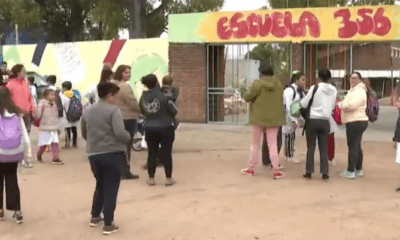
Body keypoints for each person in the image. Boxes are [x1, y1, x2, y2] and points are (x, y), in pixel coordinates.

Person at [81, 82, 130, 235]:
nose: (116, 99)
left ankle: (95, 216)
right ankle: (108, 223)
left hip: (94, 154)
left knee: (100, 184)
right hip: (112, 153)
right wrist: (128, 137)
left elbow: (84, 132)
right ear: (110, 96)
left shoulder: (88, 110)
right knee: (111, 187)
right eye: (115, 96)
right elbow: (120, 133)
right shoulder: (113, 111)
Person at [240, 63, 285, 179]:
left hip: (258, 118)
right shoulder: (279, 85)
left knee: (255, 144)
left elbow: (247, 97)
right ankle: (276, 170)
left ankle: (250, 169)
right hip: (274, 118)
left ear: (261, 73)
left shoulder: (257, 84)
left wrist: (243, 88)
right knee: (273, 144)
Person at [0, 87, 31, 224]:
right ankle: (17, 212)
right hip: (14, 151)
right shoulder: (17, 112)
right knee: (12, 179)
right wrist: (27, 154)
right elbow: (24, 135)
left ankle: (0, 210)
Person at [140, 74, 178, 186]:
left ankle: (151, 178)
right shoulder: (163, 96)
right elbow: (174, 111)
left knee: (151, 153)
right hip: (165, 127)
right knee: (166, 153)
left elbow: (142, 111)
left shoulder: (143, 97)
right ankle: (168, 178)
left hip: (150, 127)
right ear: (156, 82)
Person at [301, 69, 337, 180]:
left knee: (311, 147)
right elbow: (332, 106)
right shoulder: (334, 89)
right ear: (329, 77)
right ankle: (324, 172)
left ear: (319, 76)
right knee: (324, 147)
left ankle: (309, 171)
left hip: (313, 119)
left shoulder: (315, 88)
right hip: (325, 120)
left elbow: (304, 103)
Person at [111, 65, 140, 180]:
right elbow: (132, 102)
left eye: (129, 72)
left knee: (117, 146)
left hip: (115, 117)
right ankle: (125, 170)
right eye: (126, 73)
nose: (128, 74)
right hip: (127, 118)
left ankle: (117, 170)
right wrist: (141, 110)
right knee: (127, 146)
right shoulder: (124, 87)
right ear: (120, 73)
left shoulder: (112, 85)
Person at [338, 72, 369, 179]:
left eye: (355, 78)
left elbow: (350, 105)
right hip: (354, 121)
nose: (353, 80)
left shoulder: (359, 91)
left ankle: (350, 170)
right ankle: (358, 168)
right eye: (351, 78)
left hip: (356, 121)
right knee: (356, 145)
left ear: (360, 79)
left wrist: (341, 104)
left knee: (353, 146)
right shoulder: (354, 91)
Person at [5, 64, 34, 168]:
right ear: (18, 72)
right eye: (23, 70)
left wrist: (31, 109)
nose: (24, 72)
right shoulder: (10, 85)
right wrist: (16, 110)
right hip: (16, 115)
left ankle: (24, 157)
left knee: (26, 136)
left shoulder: (25, 83)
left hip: (27, 114)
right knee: (20, 137)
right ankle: (21, 158)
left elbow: (29, 98)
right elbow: (8, 101)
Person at [282, 72, 307, 164]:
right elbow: (288, 105)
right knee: (289, 134)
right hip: (288, 114)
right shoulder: (289, 90)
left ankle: (289, 153)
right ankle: (289, 155)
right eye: (302, 80)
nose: (304, 82)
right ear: (297, 80)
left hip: (295, 114)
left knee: (291, 135)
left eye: (305, 80)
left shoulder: (300, 91)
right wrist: (292, 119)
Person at [35, 89, 63, 165]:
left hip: (53, 126)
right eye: (51, 95)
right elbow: (38, 114)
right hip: (45, 127)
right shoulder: (42, 103)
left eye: (54, 95)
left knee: (55, 142)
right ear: (46, 95)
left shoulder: (54, 103)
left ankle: (55, 158)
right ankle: (39, 154)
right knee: (44, 143)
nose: (53, 97)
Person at [60, 81, 79, 148]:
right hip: (74, 114)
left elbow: (61, 106)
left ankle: (67, 144)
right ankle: (74, 143)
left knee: (67, 129)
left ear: (64, 88)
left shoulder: (63, 97)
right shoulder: (75, 95)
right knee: (74, 129)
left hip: (66, 115)